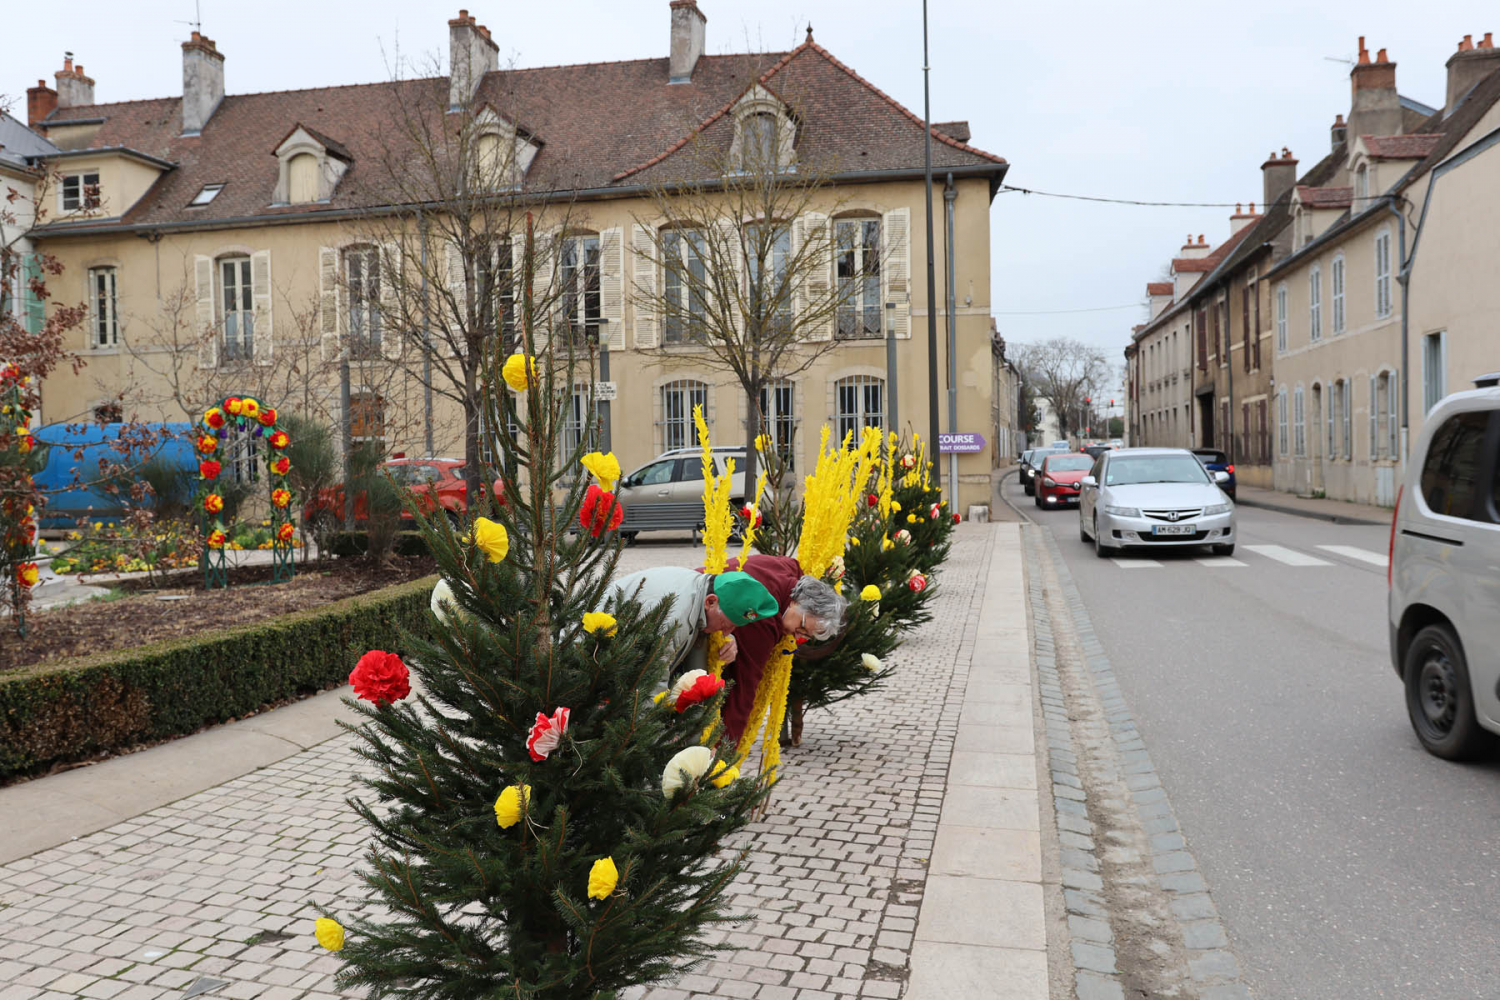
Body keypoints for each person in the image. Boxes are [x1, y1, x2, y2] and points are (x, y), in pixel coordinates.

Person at [716, 555, 847, 743]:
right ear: (796, 602)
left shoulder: (791, 572)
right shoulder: (765, 618)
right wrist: (724, 747)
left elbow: (793, 564)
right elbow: (744, 686)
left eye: (806, 635)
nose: (797, 636)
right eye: (801, 627)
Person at [606, 566, 778, 678]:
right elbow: (652, 680)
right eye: (726, 625)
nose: (725, 633)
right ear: (710, 601)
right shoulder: (674, 618)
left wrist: (730, 639)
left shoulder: (701, 587)